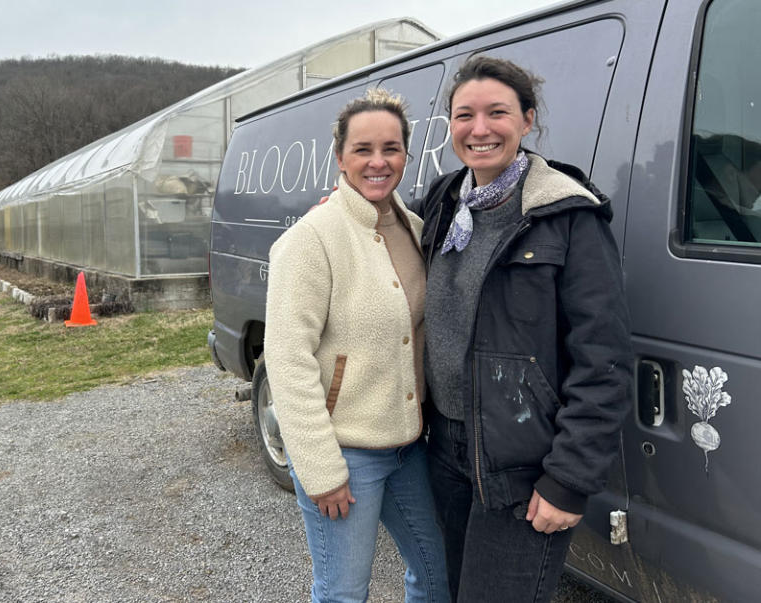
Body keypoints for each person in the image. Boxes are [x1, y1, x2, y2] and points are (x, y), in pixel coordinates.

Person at [420, 55, 633, 602]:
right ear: (450, 125)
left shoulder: (567, 216)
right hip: (445, 446)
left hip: (520, 460)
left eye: (498, 112)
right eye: (464, 114)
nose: (480, 128)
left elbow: (602, 359)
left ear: (528, 120)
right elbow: (381, 231)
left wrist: (569, 478)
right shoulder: (444, 201)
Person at [264, 88, 450, 603]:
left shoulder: (412, 228)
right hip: (344, 452)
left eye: (391, 148)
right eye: (363, 149)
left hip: (406, 446)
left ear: (406, 156)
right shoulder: (311, 239)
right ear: (340, 156)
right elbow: (287, 360)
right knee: (344, 592)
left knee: (437, 578)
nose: (378, 161)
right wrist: (319, 469)